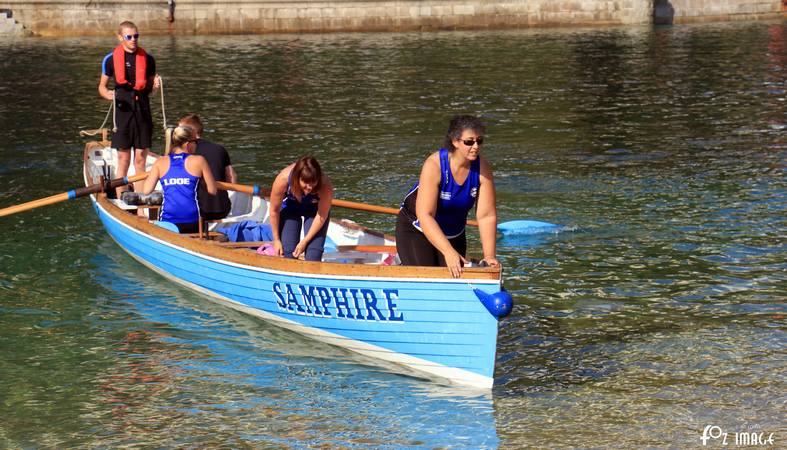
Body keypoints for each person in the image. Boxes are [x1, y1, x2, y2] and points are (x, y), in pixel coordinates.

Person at [395, 115, 500, 278]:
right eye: (469, 142)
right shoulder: (434, 164)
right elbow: (425, 215)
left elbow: (486, 216)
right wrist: (448, 251)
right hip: (417, 229)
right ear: (455, 141)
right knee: (428, 279)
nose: (476, 146)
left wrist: (489, 256)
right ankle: (403, 264)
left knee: (456, 277)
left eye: (480, 141)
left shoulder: (483, 168)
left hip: (454, 233)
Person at [98, 20, 160, 197]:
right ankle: (122, 199)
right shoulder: (109, 60)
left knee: (140, 158)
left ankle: (140, 201)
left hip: (143, 112)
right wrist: (107, 94)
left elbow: (150, 89)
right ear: (120, 37)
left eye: (136, 36)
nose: (133, 39)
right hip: (123, 114)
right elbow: (102, 87)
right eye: (129, 36)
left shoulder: (148, 59)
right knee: (123, 159)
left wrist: (155, 87)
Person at [142, 125, 217, 233]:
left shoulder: (160, 162)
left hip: (168, 222)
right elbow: (212, 190)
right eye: (196, 142)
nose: (197, 145)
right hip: (193, 222)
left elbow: (146, 190)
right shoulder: (199, 160)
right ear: (188, 144)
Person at [268, 156, 333, 262]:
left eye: (313, 183)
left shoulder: (324, 185)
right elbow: (274, 211)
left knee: (313, 256)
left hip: (314, 211)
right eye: (305, 183)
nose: (309, 188)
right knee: (288, 254)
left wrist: (305, 242)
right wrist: (276, 240)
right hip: (291, 208)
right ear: (296, 178)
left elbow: (322, 215)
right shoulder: (282, 179)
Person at [177, 114, 237, 220]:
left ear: (191, 132)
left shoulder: (184, 152)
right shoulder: (220, 149)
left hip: (198, 210)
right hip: (222, 209)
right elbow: (231, 179)